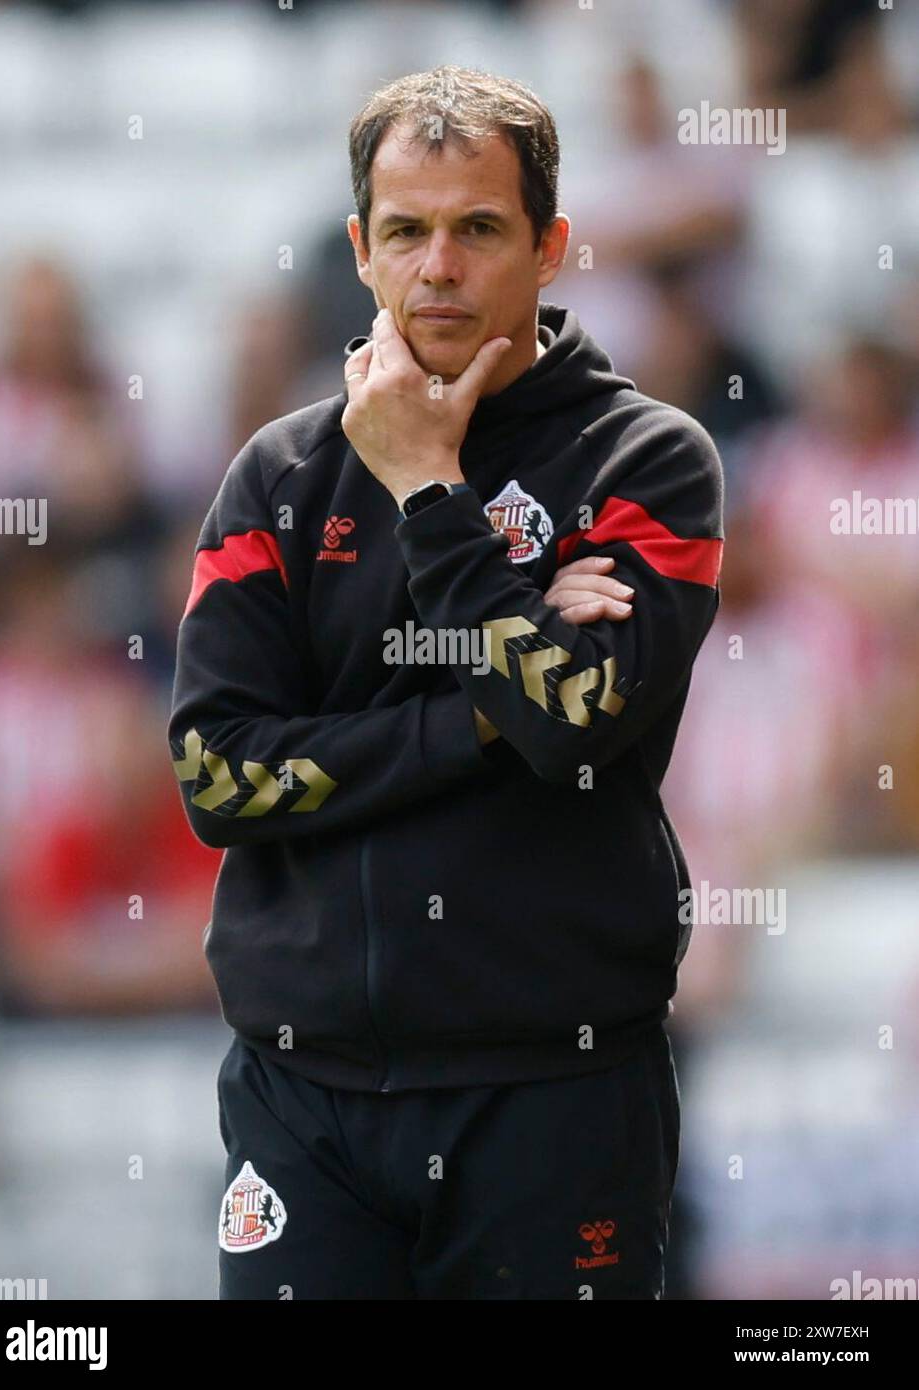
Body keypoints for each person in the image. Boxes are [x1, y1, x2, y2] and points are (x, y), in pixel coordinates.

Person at [168, 65, 724, 1300]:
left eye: (479, 229)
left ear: (551, 247)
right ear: (363, 249)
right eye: (408, 232)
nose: (439, 269)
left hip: (556, 1094)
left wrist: (429, 493)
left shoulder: (650, 459)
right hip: (302, 1100)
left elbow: (577, 727)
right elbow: (215, 774)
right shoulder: (280, 476)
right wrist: (483, 704)